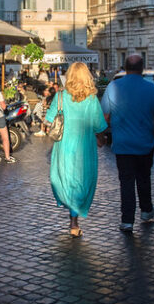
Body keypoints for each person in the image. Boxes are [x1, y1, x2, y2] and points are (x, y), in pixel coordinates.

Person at [100, 54, 154, 233]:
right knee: (144, 178)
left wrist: (103, 136)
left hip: (122, 145)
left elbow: (105, 116)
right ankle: (146, 210)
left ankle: (127, 220)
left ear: (125, 67)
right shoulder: (151, 88)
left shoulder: (113, 87)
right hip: (145, 143)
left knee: (126, 182)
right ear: (142, 68)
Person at [45, 63, 108, 238]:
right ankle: (74, 218)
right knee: (82, 181)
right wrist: (101, 139)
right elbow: (99, 125)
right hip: (85, 147)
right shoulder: (91, 99)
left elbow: (49, 120)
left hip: (64, 146)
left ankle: (72, 216)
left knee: (65, 179)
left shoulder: (60, 96)